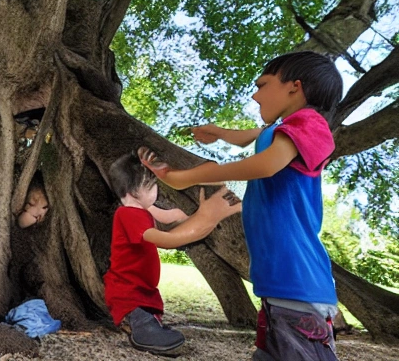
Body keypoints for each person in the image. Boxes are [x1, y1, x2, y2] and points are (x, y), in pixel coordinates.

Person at [139, 51, 343, 361]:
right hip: (280, 286)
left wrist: (195, 176)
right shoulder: (282, 131)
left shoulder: (310, 124)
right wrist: (217, 132)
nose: (255, 94)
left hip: (298, 283)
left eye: (263, 85)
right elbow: (254, 137)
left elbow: (267, 164)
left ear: (294, 87)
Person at [104, 152, 241, 355]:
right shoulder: (127, 214)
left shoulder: (143, 210)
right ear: (133, 193)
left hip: (142, 287)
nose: (157, 189)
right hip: (128, 290)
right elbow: (166, 240)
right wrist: (205, 219)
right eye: (151, 186)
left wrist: (198, 215)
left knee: (148, 312)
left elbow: (173, 217)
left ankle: (146, 325)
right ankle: (141, 330)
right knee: (140, 316)